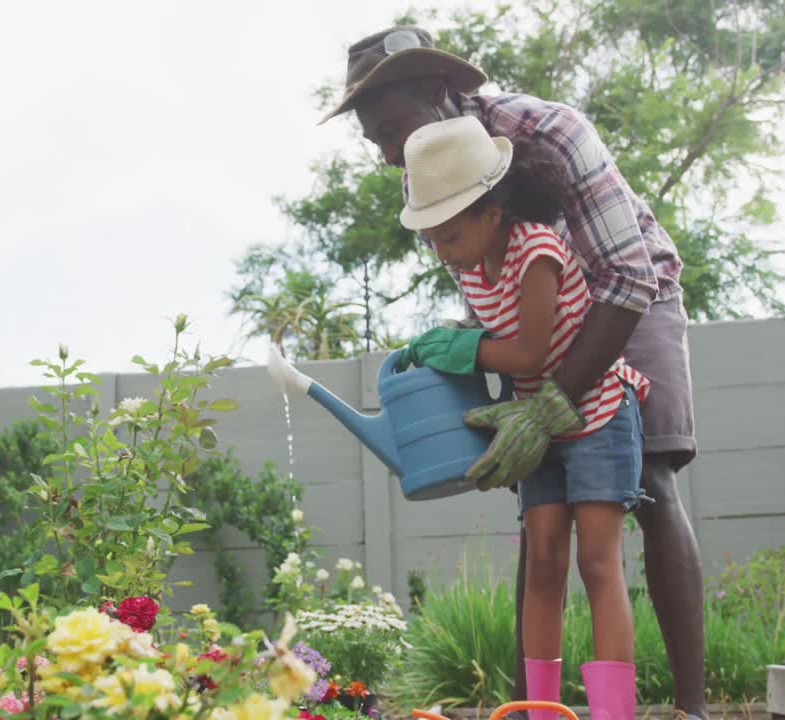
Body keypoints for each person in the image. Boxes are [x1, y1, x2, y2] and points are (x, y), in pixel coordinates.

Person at [319, 27, 707, 720]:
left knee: (648, 478)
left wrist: (554, 399)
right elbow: (492, 302)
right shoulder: (428, 166)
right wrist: (462, 357)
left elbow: (626, 277)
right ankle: (537, 708)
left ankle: (689, 708)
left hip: (628, 296)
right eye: (371, 139)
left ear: (441, 92)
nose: (383, 155)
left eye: (387, 129)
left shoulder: (550, 131)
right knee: (542, 520)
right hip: (535, 325)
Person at [397, 116, 650, 719]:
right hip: (533, 428)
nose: (443, 252)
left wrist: (462, 347)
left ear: (492, 210)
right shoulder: (468, 262)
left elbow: (531, 352)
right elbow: (499, 336)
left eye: (450, 235)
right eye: (431, 239)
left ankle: (613, 713)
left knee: (596, 560)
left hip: (593, 412)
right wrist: (458, 341)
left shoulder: (535, 247)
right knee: (541, 562)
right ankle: (541, 713)